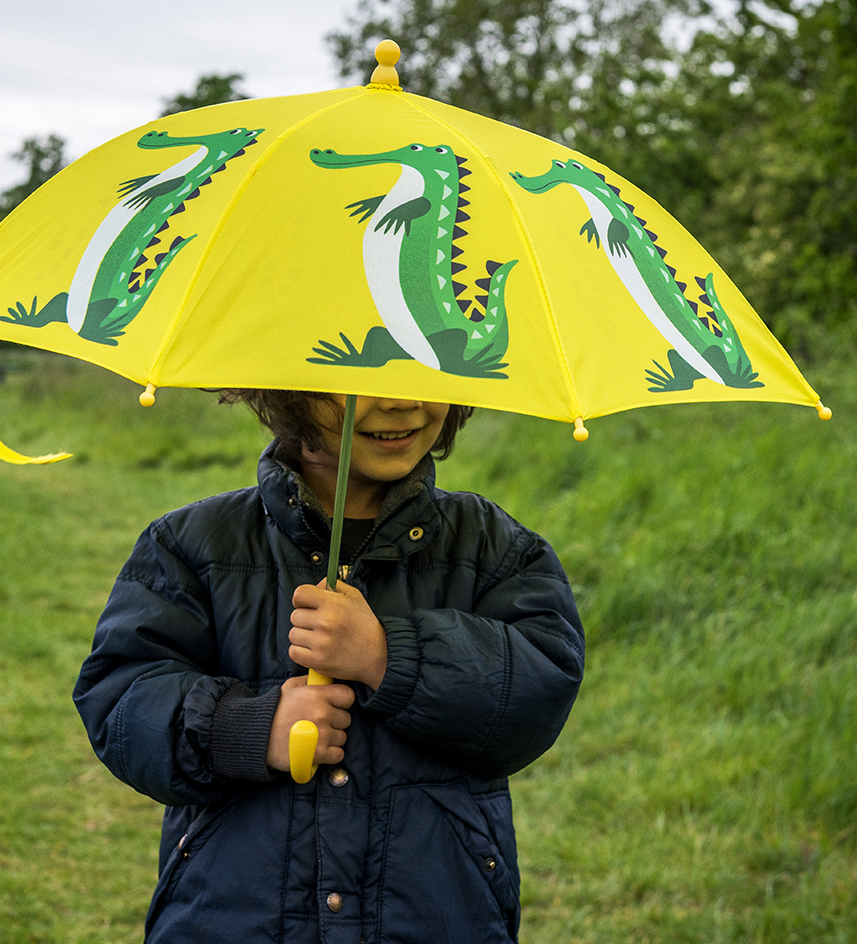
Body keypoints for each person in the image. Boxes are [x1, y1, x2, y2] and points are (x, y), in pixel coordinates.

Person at [73, 392, 585, 944]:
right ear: (286, 388)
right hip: (232, 917)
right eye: (364, 375)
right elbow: (121, 698)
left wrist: (388, 657)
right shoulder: (191, 546)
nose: (402, 401)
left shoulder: (496, 551)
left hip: (438, 916)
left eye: (421, 368)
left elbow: (537, 693)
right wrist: (247, 728)